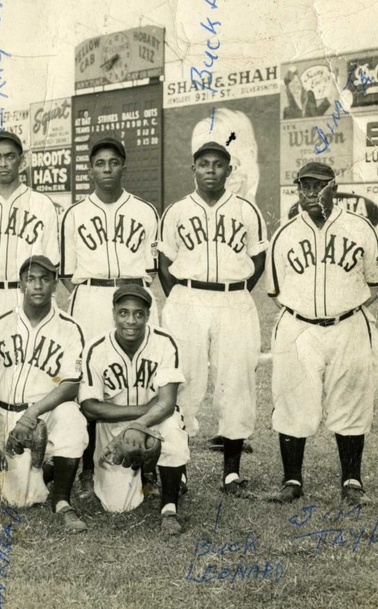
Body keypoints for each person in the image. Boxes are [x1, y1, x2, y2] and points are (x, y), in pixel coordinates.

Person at [262, 162, 378, 507]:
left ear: (334, 187)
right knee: (292, 400)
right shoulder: (284, 234)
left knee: (351, 401)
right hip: (298, 327)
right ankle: (292, 480)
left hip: (349, 325)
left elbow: (374, 283)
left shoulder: (360, 228)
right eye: (305, 186)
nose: (311, 193)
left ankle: (352, 480)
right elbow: (275, 292)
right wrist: (308, 315)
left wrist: (341, 308)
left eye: (319, 186)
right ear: (297, 190)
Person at [157, 141, 267, 496]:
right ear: (193, 169)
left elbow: (258, 260)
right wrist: (181, 294)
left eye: (218, 165)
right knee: (183, 379)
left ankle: (231, 473)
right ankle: (180, 465)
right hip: (187, 297)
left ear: (228, 171)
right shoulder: (175, 211)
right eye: (203, 164)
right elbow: (164, 262)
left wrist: (234, 290)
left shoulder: (247, 210)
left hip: (233, 298)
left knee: (236, 380)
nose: (210, 170)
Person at [59, 136, 158, 497]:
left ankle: (148, 465)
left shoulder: (145, 211)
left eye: (113, 162)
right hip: (90, 295)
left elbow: (151, 268)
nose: (106, 169)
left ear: (123, 166)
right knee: (90, 379)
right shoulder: (74, 213)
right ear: (90, 169)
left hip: (132, 293)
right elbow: (67, 272)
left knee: (140, 374)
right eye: (99, 163)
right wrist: (90, 296)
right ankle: (87, 468)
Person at [0, 257, 90, 531]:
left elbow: (71, 385)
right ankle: (37, 472)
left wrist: (33, 413)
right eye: (31, 278)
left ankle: (62, 501)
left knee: (72, 417)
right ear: (21, 284)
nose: (37, 285)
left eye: (45, 279)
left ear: (54, 285)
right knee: (18, 501)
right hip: (5, 415)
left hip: (44, 413)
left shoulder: (70, 327)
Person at [80, 285, 189, 535]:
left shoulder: (164, 342)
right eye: (124, 313)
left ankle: (169, 508)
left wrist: (140, 425)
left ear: (148, 315)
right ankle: (145, 473)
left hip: (156, 420)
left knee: (172, 427)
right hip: (115, 426)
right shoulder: (96, 348)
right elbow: (89, 407)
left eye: (139, 314)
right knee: (117, 506)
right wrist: (136, 420)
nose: (131, 321)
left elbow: (167, 403)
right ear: (114, 314)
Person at [0, 131, 60, 348]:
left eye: (10, 156)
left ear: (22, 160)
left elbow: (52, 262)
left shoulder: (41, 204)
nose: (3, 163)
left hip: (24, 296)